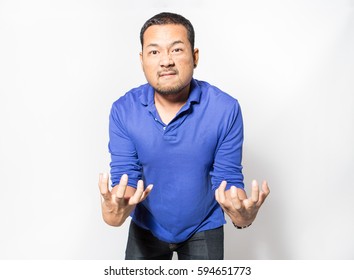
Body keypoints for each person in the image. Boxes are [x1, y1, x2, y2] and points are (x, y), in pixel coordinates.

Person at [98, 12, 270, 260]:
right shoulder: (124, 110)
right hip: (148, 225)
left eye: (176, 50)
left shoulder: (225, 109)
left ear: (195, 56)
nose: (166, 61)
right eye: (154, 52)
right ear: (142, 59)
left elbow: (228, 179)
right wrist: (113, 209)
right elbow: (126, 180)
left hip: (204, 225)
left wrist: (243, 214)